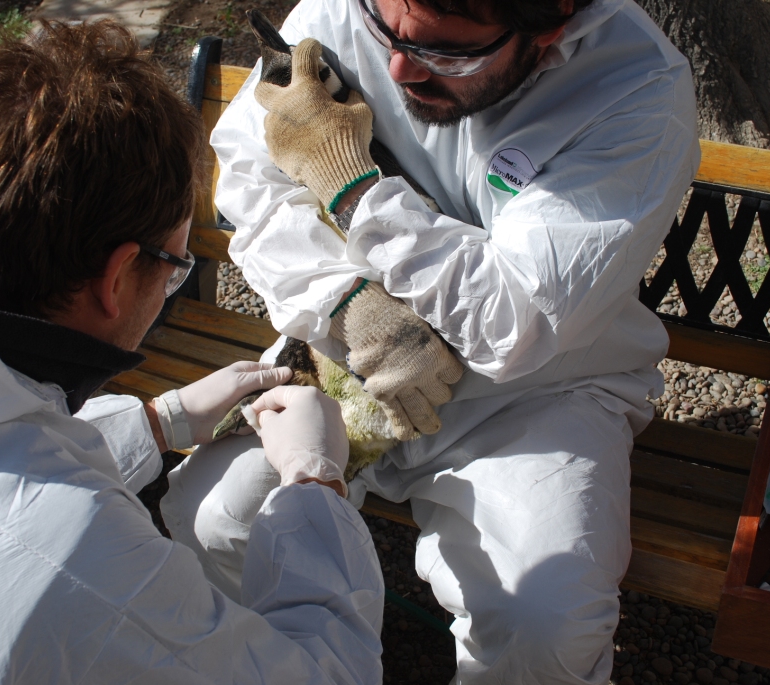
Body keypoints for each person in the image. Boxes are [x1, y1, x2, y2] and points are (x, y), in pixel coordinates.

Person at [164, 0, 701, 682]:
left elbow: (513, 320)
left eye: (447, 54)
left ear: (550, 30)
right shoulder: (353, 9)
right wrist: (346, 300)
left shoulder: (637, 88)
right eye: (382, 33)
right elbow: (250, 171)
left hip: (533, 395)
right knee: (214, 515)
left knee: (544, 626)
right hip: (346, 352)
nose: (396, 67)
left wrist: (352, 188)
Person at [0, 21, 384, 684]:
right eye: (174, 263)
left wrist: (155, 420)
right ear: (116, 279)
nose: (173, 278)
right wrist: (315, 484)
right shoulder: (88, 565)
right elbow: (328, 674)